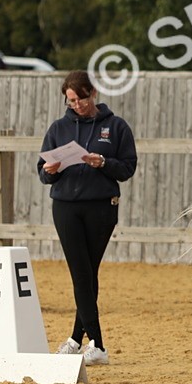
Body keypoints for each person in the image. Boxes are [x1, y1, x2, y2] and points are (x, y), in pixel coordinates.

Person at [37, 71, 138, 365]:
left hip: (102, 207)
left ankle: (79, 340)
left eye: (81, 98)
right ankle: (93, 343)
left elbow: (127, 168)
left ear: (92, 93)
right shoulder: (58, 128)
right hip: (65, 206)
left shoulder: (116, 127)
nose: (77, 105)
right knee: (82, 273)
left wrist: (103, 162)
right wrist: (49, 171)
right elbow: (42, 172)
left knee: (87, 273)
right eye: (71, 101)